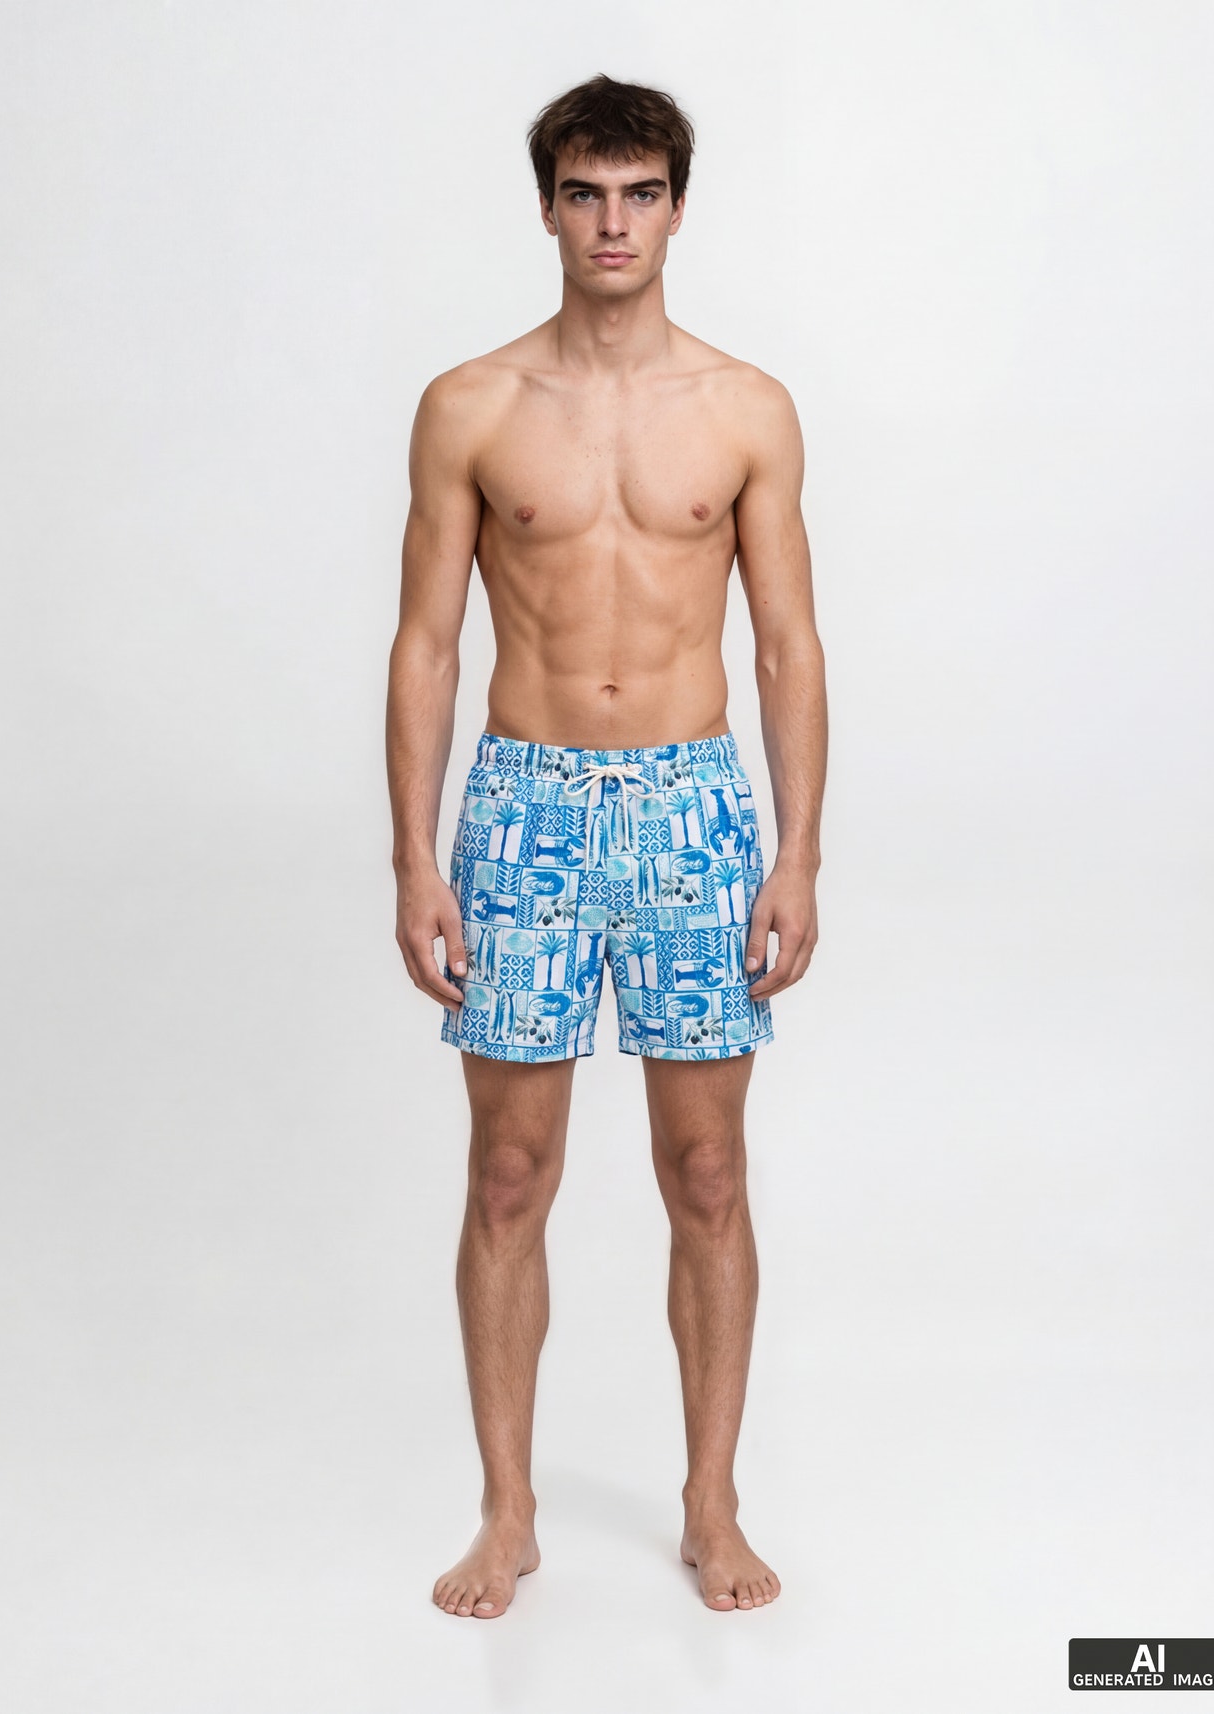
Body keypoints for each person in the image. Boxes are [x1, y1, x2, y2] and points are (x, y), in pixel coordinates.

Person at [386, 73, 827, 1619]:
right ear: (549, 208)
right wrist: (415, 857)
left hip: (696, 808)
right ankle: (506, 1510)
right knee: (509, 1172)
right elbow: (426, 643)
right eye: (586, 194)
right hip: (523, 808)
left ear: (679, 209)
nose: (613, 223)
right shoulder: (473, 405)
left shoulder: (747, 406)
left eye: (641, 194)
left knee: (706, 1169)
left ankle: (712, 1500)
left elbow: (788, 642)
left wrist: (798, 853)